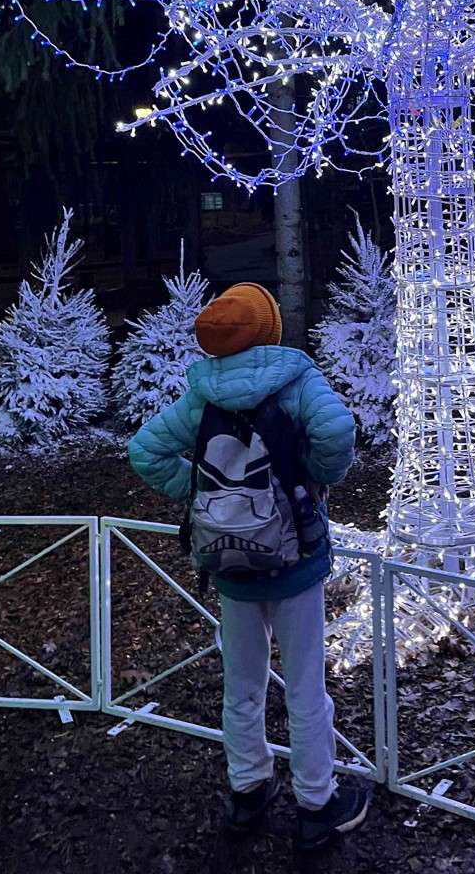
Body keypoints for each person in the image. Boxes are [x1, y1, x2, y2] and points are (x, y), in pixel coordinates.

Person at [128, 281, 369, 851]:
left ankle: (248, 793)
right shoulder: (297, 380)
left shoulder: (202, 393)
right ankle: (317, 806)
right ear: (270, 328)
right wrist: (313, 480)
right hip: (294, 561)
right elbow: (336, 432)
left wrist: (198, 499)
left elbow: (145, 451)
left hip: (230, 569)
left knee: (241, 686)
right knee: (307, 687)